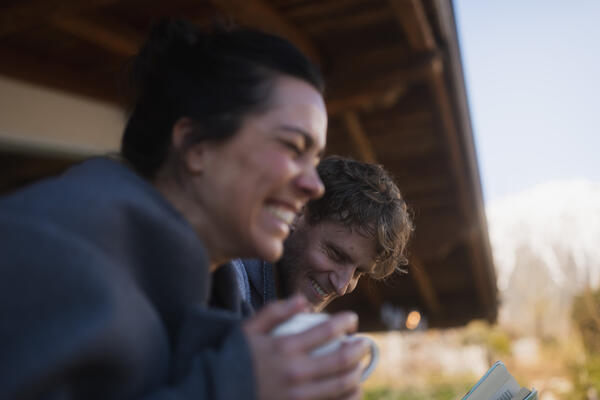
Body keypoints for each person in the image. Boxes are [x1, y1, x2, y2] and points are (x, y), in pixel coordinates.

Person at [0, 19, 369, 400]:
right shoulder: (45, 250)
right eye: (293, 147)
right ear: (196, 146)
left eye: (315, 160)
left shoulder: (221, 305)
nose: (314, 185)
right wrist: (233, 387)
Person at [212, 156, 413, 314]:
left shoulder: (291, 321)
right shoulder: (225, 277)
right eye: (336, 255)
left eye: (358, 272)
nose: (342, 286)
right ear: (298, 212)